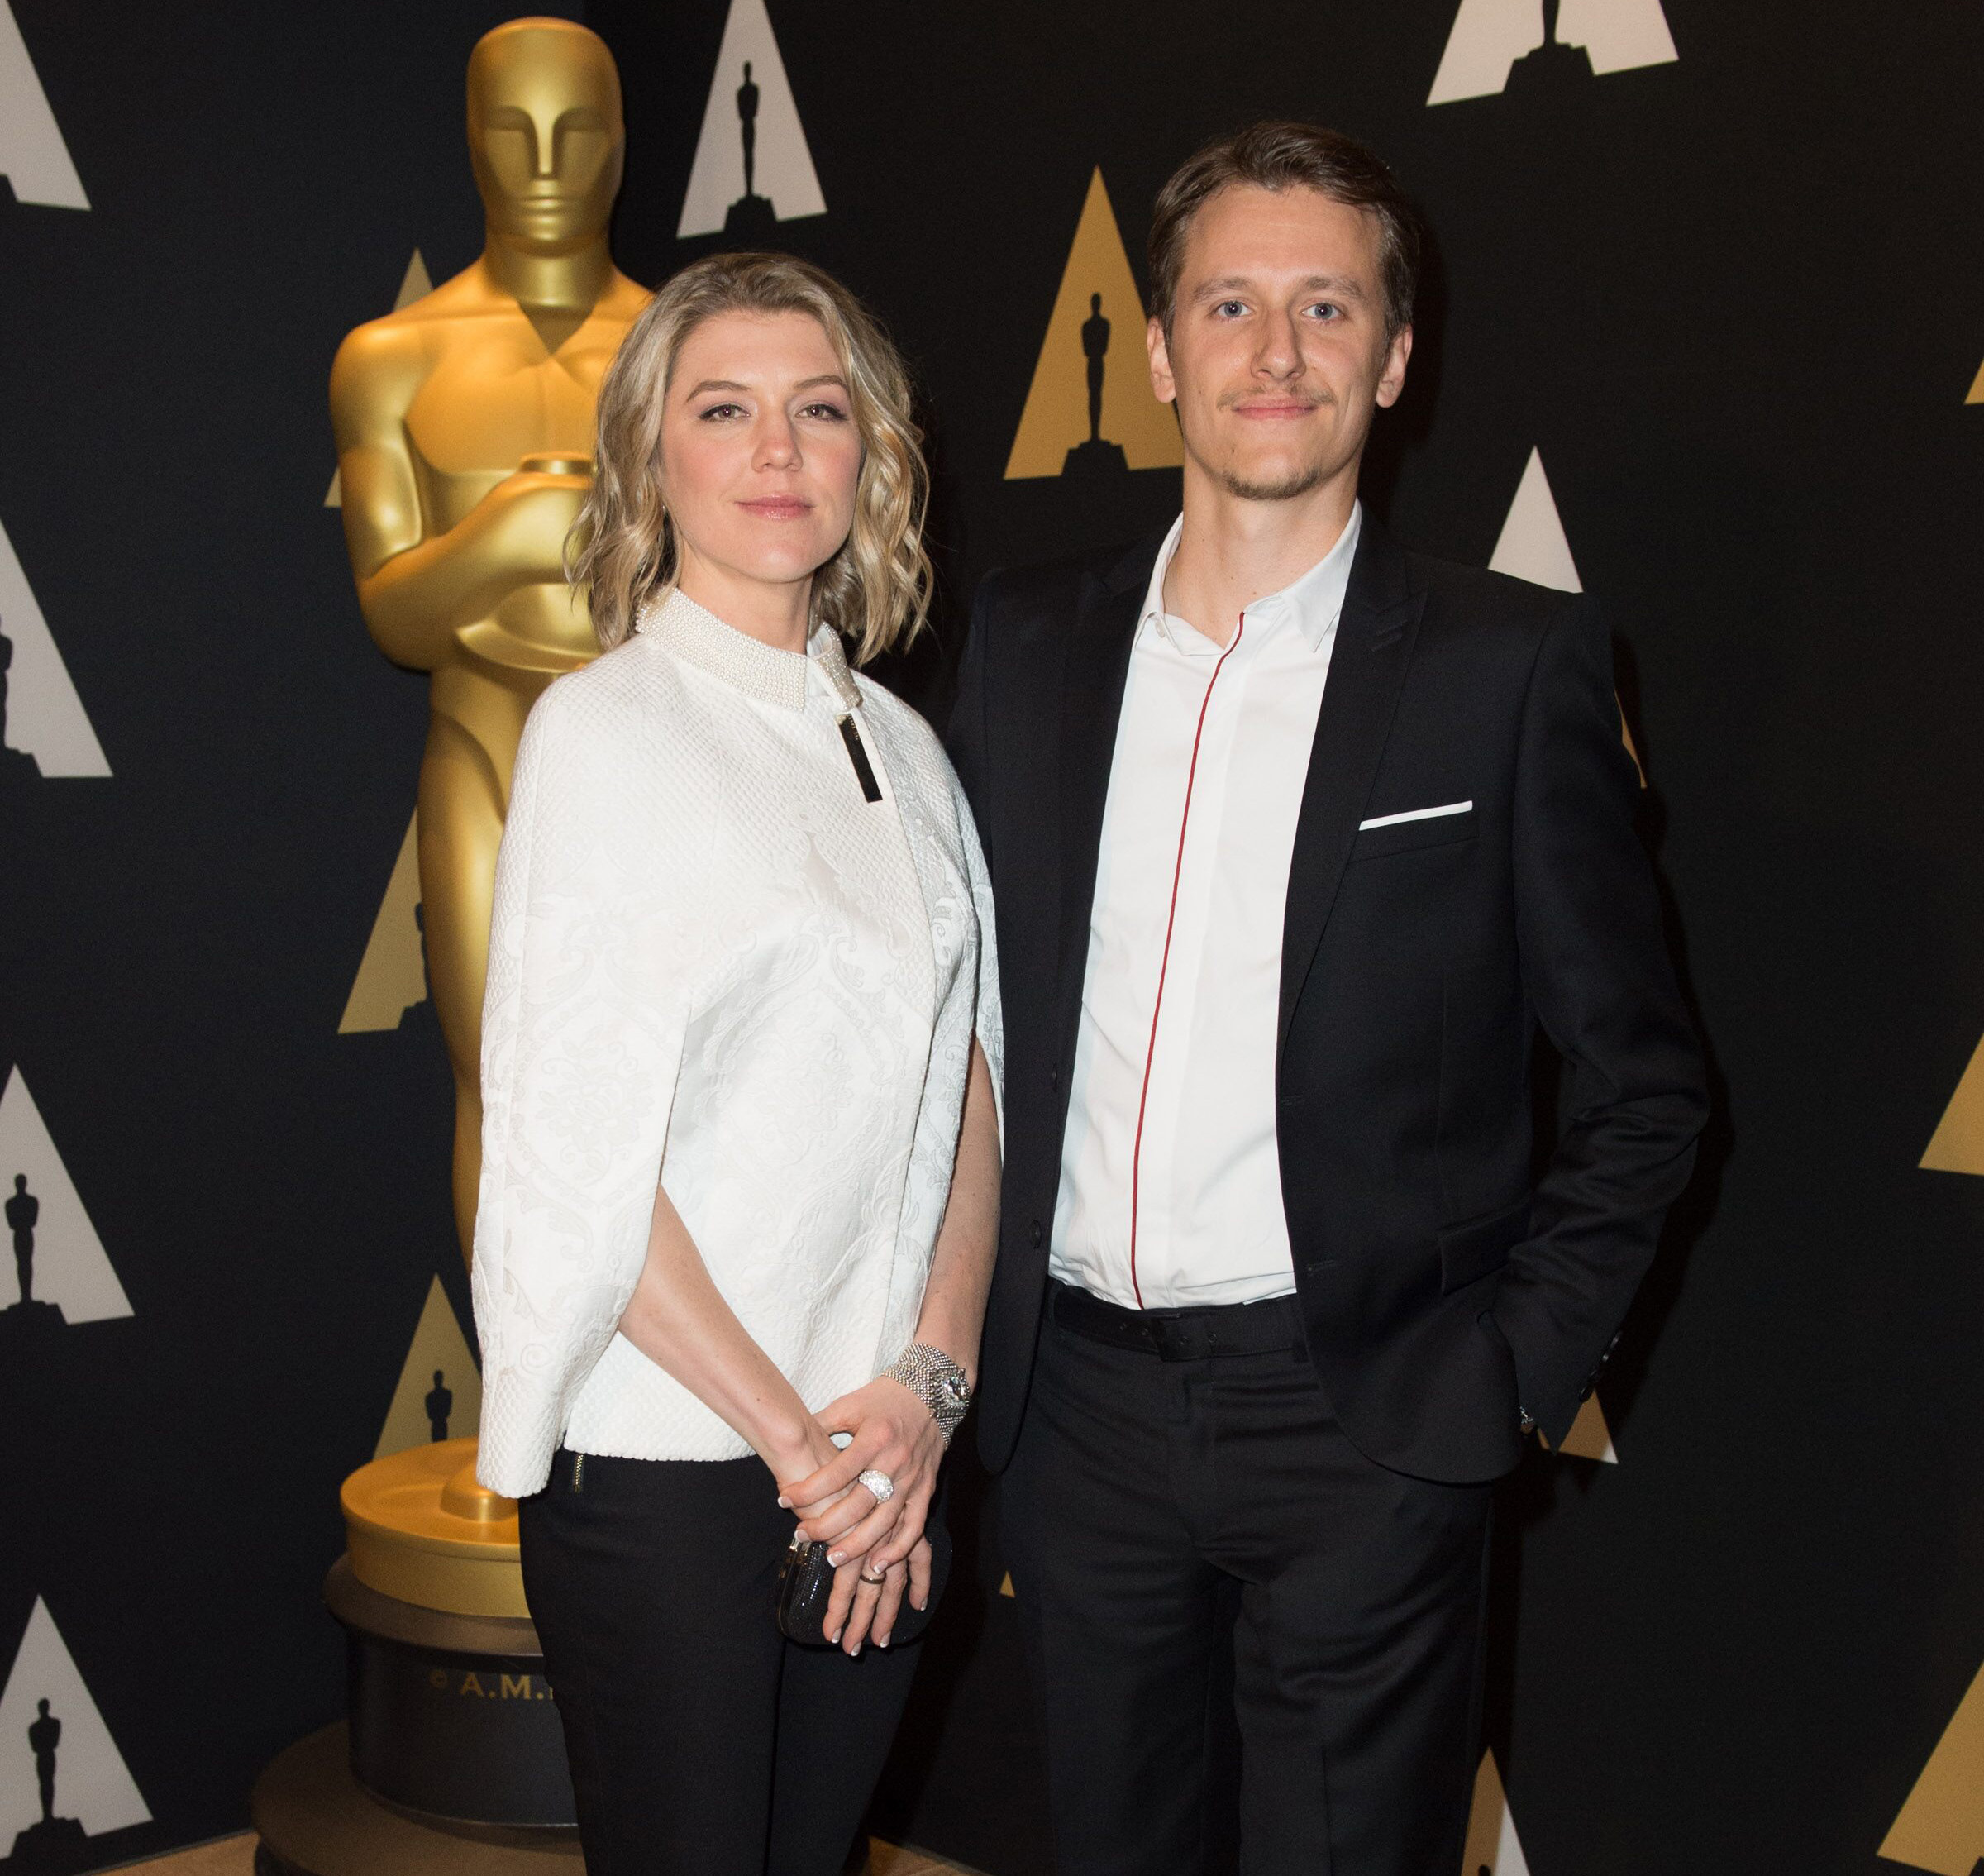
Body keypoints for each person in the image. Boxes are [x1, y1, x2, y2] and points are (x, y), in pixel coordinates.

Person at [947, 122, 1706, 1875]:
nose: (1275, 351)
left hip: (1367, 1420)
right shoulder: (1026, 642)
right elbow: (958, 1021)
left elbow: (1645, 1081)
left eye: (1327, 305)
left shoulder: (1511, 667)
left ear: (1397, 354)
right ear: (1158, 351)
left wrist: (1508, 1376)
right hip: (1077, 1420)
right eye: (1229, 304)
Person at [472, 251, 1002, 1876]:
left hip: (874, 1455)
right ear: (653, 456)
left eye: (818, 409)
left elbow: (967, 1091)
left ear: (869, 454)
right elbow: (581, 1160)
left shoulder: (906, 748)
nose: (777, 450)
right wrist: (802, 1451)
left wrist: (925, 1392)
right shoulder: (605, 732)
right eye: (724, 410)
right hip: (672, 1466)